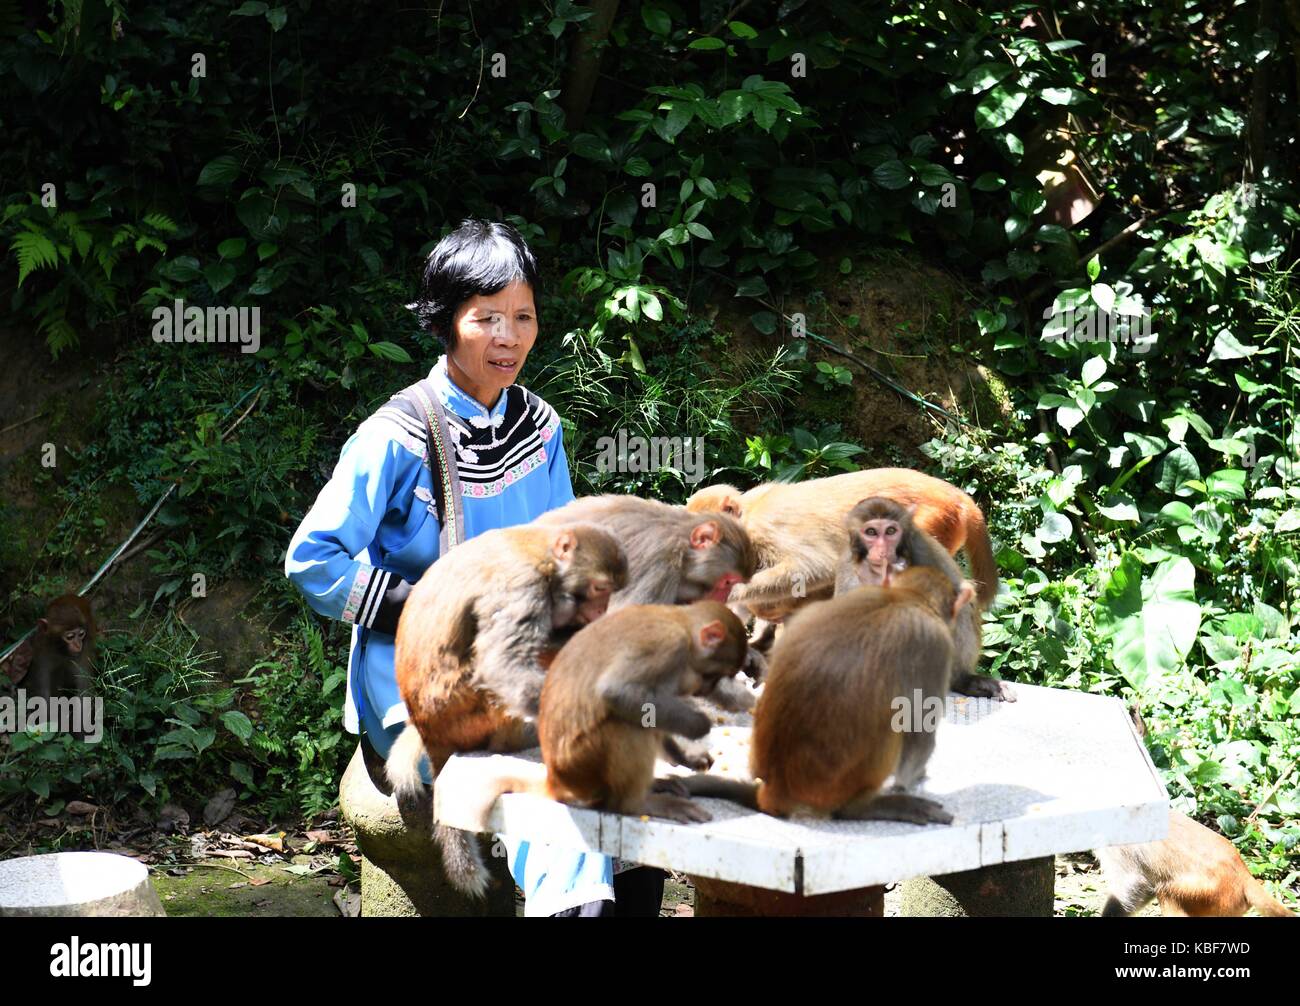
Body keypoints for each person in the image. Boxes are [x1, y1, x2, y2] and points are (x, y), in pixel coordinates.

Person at [284, 219, 663, 917]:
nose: (509, 337)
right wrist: (423, 604)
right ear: (445, 321)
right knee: (548, 780)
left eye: (523, 317)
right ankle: (575, 902)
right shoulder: (394, 436)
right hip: (417, 681)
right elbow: (311, 560)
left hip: (520, 664)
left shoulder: (540, 427)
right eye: (486, 318)